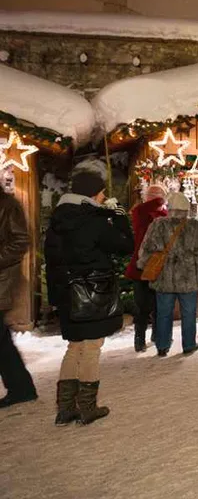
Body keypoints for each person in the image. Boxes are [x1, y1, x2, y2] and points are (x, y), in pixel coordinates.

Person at [45, 169, 133, 425]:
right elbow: (124, 246)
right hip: (93, 291)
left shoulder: (58, 220)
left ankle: (65, 408)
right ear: (92, 193)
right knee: (92, 348)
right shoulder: (92, 220)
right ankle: (87, 407)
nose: (105, 195)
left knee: (74, 347)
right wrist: (118, 218)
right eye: (102, 191)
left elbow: (53, 261)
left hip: (67, 294)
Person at [138, 192, 198, 357]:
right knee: (188, 313)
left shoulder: (157, 225)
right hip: (189, 277)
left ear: (169, 207)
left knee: (164, 313)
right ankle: (189, 344)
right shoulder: (194, 226)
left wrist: (143, 267)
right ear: (186, 208)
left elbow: (146, 250)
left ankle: (162, 346)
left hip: (163, 277)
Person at [0, 187, 37, 409]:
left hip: (2, 280)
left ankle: (22, 388)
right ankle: (22, 388)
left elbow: (20, 240)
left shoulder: (7, 205)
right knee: (2, 341)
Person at [124, 184, 168, 352]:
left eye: (157, 195)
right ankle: (139, 338)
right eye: (151, 195)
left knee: (159, 305)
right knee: (142, 306)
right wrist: (161, 197)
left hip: (159, 268)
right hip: (141, 268)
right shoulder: (140, 212)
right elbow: (145, 209)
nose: (155, 198)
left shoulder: (165, 215)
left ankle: (157, 336)